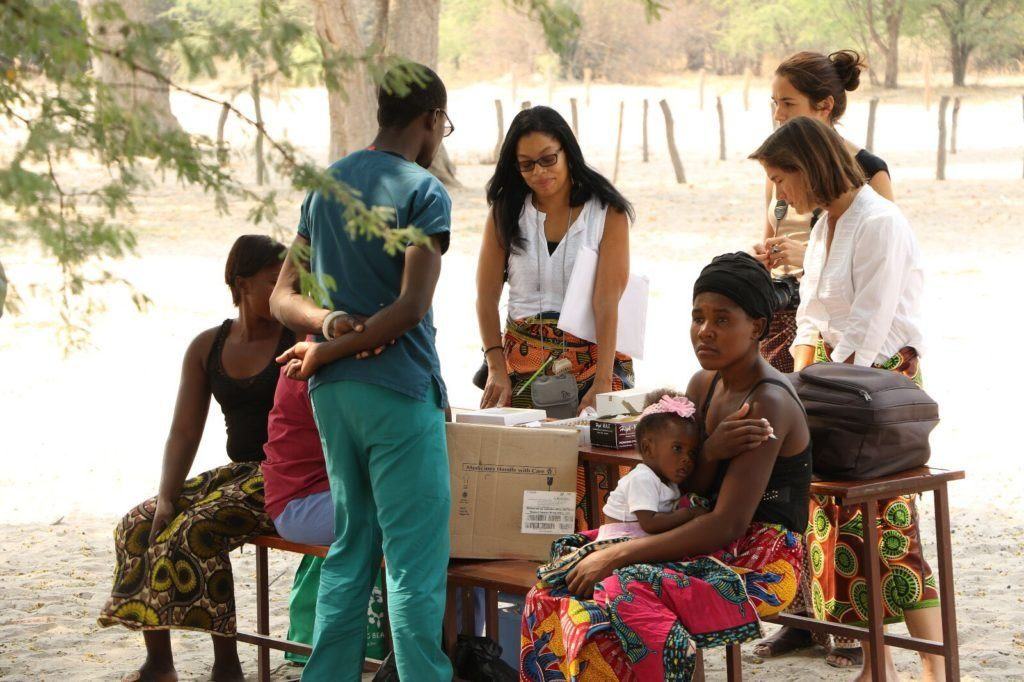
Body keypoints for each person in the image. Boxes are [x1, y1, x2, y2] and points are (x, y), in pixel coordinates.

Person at [520, 252, 811, 681]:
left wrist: (619, 554)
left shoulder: (767, 402)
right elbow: (687, 483)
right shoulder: (704, 383)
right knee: (557, 578)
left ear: (758, 328)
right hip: (694, 531)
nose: (704, 332)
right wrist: (710, 451)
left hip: (760, 556)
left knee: (621, 588)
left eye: (722, 320)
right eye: (698, 317)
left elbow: (729, 523)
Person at [270, 63, 454, 682]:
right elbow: (410, 307)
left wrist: (328, 328)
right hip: (399, 394)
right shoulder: (422, 191)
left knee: (350, 549)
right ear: (431, 118)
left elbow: (282, 296)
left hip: (332, 397)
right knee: (412, 563)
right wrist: (337, 344)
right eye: (443, 125)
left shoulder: (326, 185)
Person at [750, 116, 943, 681]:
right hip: (834, 385)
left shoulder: (880, 222)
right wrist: (800, 380)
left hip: (880, 388)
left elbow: (869, 326)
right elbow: (811, 315)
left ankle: (933, 668)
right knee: (836, 532)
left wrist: (814, 389)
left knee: (889, 532)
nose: (780, 194)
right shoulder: (824, 226)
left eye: (783, 180)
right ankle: (878, 663)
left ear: (810, 169)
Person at [98, 235, 295, 682]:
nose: (285, 290)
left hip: (284, 475)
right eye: (274, 281)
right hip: (238, 473)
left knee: (196, 529)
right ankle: (160, 662)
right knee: (138, 523)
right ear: (241, 284)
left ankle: (227, 667)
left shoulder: (296, 338)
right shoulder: (208, 346)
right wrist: (166, 495)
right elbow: (184, 431)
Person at [475, 105, 634, 528]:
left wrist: (602, 382)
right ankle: (526, 579)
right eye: (526, 165)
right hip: (519, 367)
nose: (540, 172)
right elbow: (485, 295)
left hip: (591, 358)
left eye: (549, 159)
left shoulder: (607, 212)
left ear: (568, 152)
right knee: (523, 478)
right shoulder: (506, 211)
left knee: (592, 475)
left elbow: (607, 301)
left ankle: (587, 575)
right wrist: (496, 366)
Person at [754, 50, 894, 376]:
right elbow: (770, 236)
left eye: (788, 103)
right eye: (774, 103)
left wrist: (809, 258)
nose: (778, 115)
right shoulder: (777, 167)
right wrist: (765, 258)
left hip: (838, 333)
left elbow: (878, 283)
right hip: (787, 316)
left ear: (825, 106)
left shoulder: (871, 177)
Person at [261, 364, 387, 665]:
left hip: (327, 493)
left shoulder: (338, 359)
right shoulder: (319, 365)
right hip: (303, 503)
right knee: (415, 524)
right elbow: (365, 448)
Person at [595, 391, 708, 542]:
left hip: (640, 538)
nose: (686, 459)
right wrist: (689, 514)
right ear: (648, 448)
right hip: (620, 539)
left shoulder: (669, 481)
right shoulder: (642, 478)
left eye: (692, 453)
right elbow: (650, 523)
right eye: (677, 448)